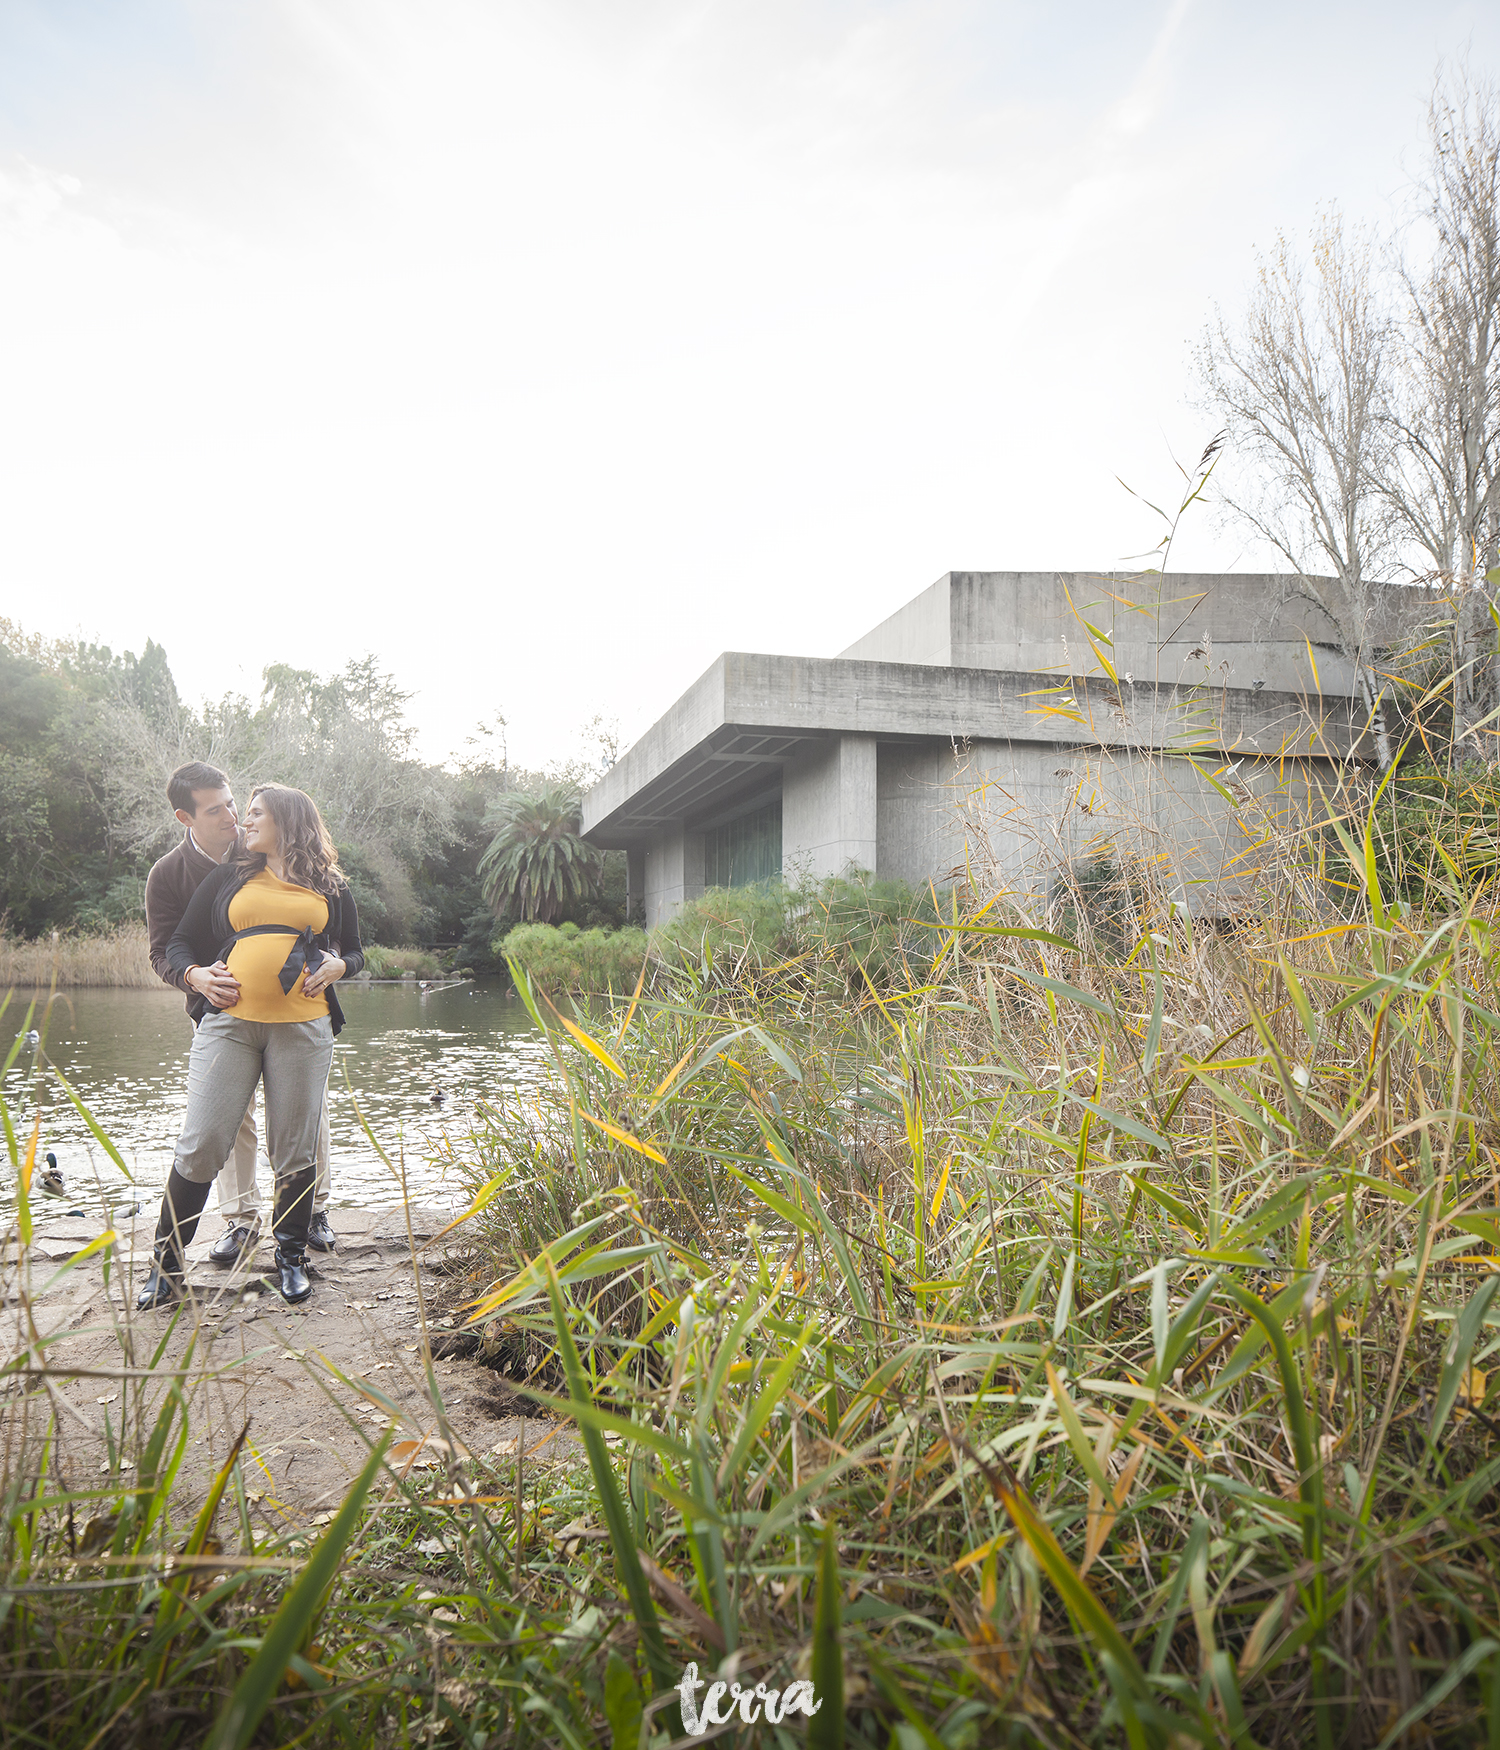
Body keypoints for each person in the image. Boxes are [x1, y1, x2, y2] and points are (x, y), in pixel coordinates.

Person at [137, 785, 363, 1308]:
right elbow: (177, 943)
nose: (245, 822)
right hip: (228, 1027)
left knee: (294, 1146)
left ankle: (290, 1258)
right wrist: (195, 973)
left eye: (256, 813)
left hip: (303, 1028)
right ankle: (165, 1267)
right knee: (203, 1141)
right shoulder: (229, 875)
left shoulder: (331, 885)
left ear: (286, 821)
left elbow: (354, 951)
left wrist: (339, 966)